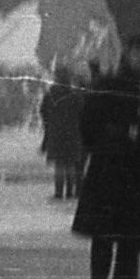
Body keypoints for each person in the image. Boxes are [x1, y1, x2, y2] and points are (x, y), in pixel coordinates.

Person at [73, 33, 140, 279]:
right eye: (138, 51)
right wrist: (113, 140)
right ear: (128, 54)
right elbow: (88, 125)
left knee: (131, 239)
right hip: (109, 170)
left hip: (137, 172)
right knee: (104, 236)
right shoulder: (109, 85)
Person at [40, 66, 84, 200]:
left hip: (56, 133)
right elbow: (81, 113)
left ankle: (58, 192)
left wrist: (50, 125)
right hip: (72, 133)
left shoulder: (50, 95)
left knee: (59, 164)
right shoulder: (75, 96)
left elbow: (43, 112)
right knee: (70, 163)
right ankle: (70, 191)